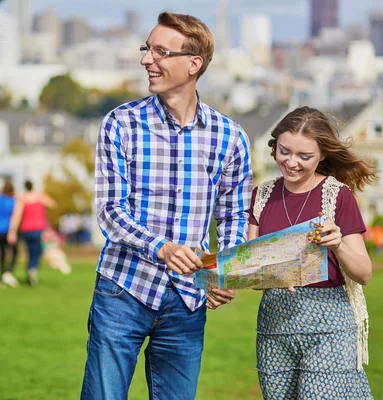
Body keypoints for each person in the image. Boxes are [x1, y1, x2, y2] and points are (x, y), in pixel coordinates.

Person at [80, 12, 252, 400]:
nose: (146, 59)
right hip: (123, 289)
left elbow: (234, 214)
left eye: (160, 51)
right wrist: (162, 247)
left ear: (194, 64)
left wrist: (223, 272)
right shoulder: (120, 124)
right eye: (146, 49)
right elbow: (110, 210)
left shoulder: (230, 137)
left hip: (187, 299)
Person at [237, 106, 377, 399]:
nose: (291, 163)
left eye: (305, 156)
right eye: (284, 151)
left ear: (322, 155)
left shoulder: (337, 196)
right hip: (274, 325)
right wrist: (267, 274)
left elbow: (364, 273)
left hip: (330, 325)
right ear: (274, 145)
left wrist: (338, 245)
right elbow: (248, 268)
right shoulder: (261, 196)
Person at [7, 180, 56, 286]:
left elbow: (16, 216)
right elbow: (52, 204)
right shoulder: (40, 197)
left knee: (30, 251)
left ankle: (30, 269)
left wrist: (12, 231)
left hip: (26, 229)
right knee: (37, 251)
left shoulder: (22, 199)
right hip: (39, 229)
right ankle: (32, 269)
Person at [0, 180, 18, 287]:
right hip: (8, 229)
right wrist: (13, 231)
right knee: (14, 252)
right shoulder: (12, 201)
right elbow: (14, 216)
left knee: (2, 252)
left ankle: (2, 275)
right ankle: (8, 272)